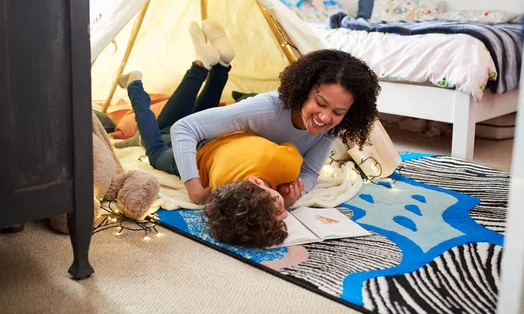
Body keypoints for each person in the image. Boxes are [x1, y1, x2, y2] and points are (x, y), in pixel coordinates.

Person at [117, 20, 301, 247]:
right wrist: (287, 199)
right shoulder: (221, 192)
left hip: (215, 139)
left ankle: (218, 65)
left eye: (278, 210)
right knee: (162, 138)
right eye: (282, 213)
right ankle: (139, 82)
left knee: (171, 136)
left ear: (254, 182)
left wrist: (286, 197)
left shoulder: (287, 164)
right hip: (206, 145)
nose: (284, 214)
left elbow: (291, 146)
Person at [172, 45, 381, 208]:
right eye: (320, 103)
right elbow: (184, 128)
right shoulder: (267, 109)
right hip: (209, 151)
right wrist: (196, 191)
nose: (325, 117)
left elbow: (309, 172)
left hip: (253, 166)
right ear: (305, 90)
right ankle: (205, 66)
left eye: (338, 112)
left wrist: (292, 193)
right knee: (158, 144)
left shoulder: (331, 128)